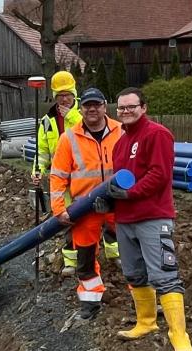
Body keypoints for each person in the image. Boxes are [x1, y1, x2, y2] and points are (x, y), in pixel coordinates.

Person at [106, 87, 192, 351]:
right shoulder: (121, 143)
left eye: (131, 106)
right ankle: (146, 322)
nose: (125, 111)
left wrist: (130, 193)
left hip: (153, 217)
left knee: (164, 275)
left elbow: (160, 175)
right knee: (134, 273)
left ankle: (179, 335)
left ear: (143, 107)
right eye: (121, 108)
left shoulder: (157, 134)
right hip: (125, 219)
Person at [50, 87, 122, 321]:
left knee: (133, 250)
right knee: (86, 257)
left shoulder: (121, 132)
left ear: (104, 106)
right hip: (85, 206)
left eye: (97, 105)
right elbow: (58, 176)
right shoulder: (68, 138)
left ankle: (143, 301)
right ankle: (91, 303)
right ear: (80, 109)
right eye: (87, 105)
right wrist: (59, 209)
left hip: (119, 202)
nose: (92, 109)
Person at [31, 71, 83, 277]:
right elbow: (42, 151)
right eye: (60, 95)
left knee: (95, 216)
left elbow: (86, 129)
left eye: (68, 94)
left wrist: (70, 115)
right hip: (61, 179)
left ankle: (109, 255)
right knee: (65, 217)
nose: (64, 98)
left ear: (74, 94)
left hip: (85, 177)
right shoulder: (47, 121)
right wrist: (37, 169)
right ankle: (71, 261)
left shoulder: (84, 113)